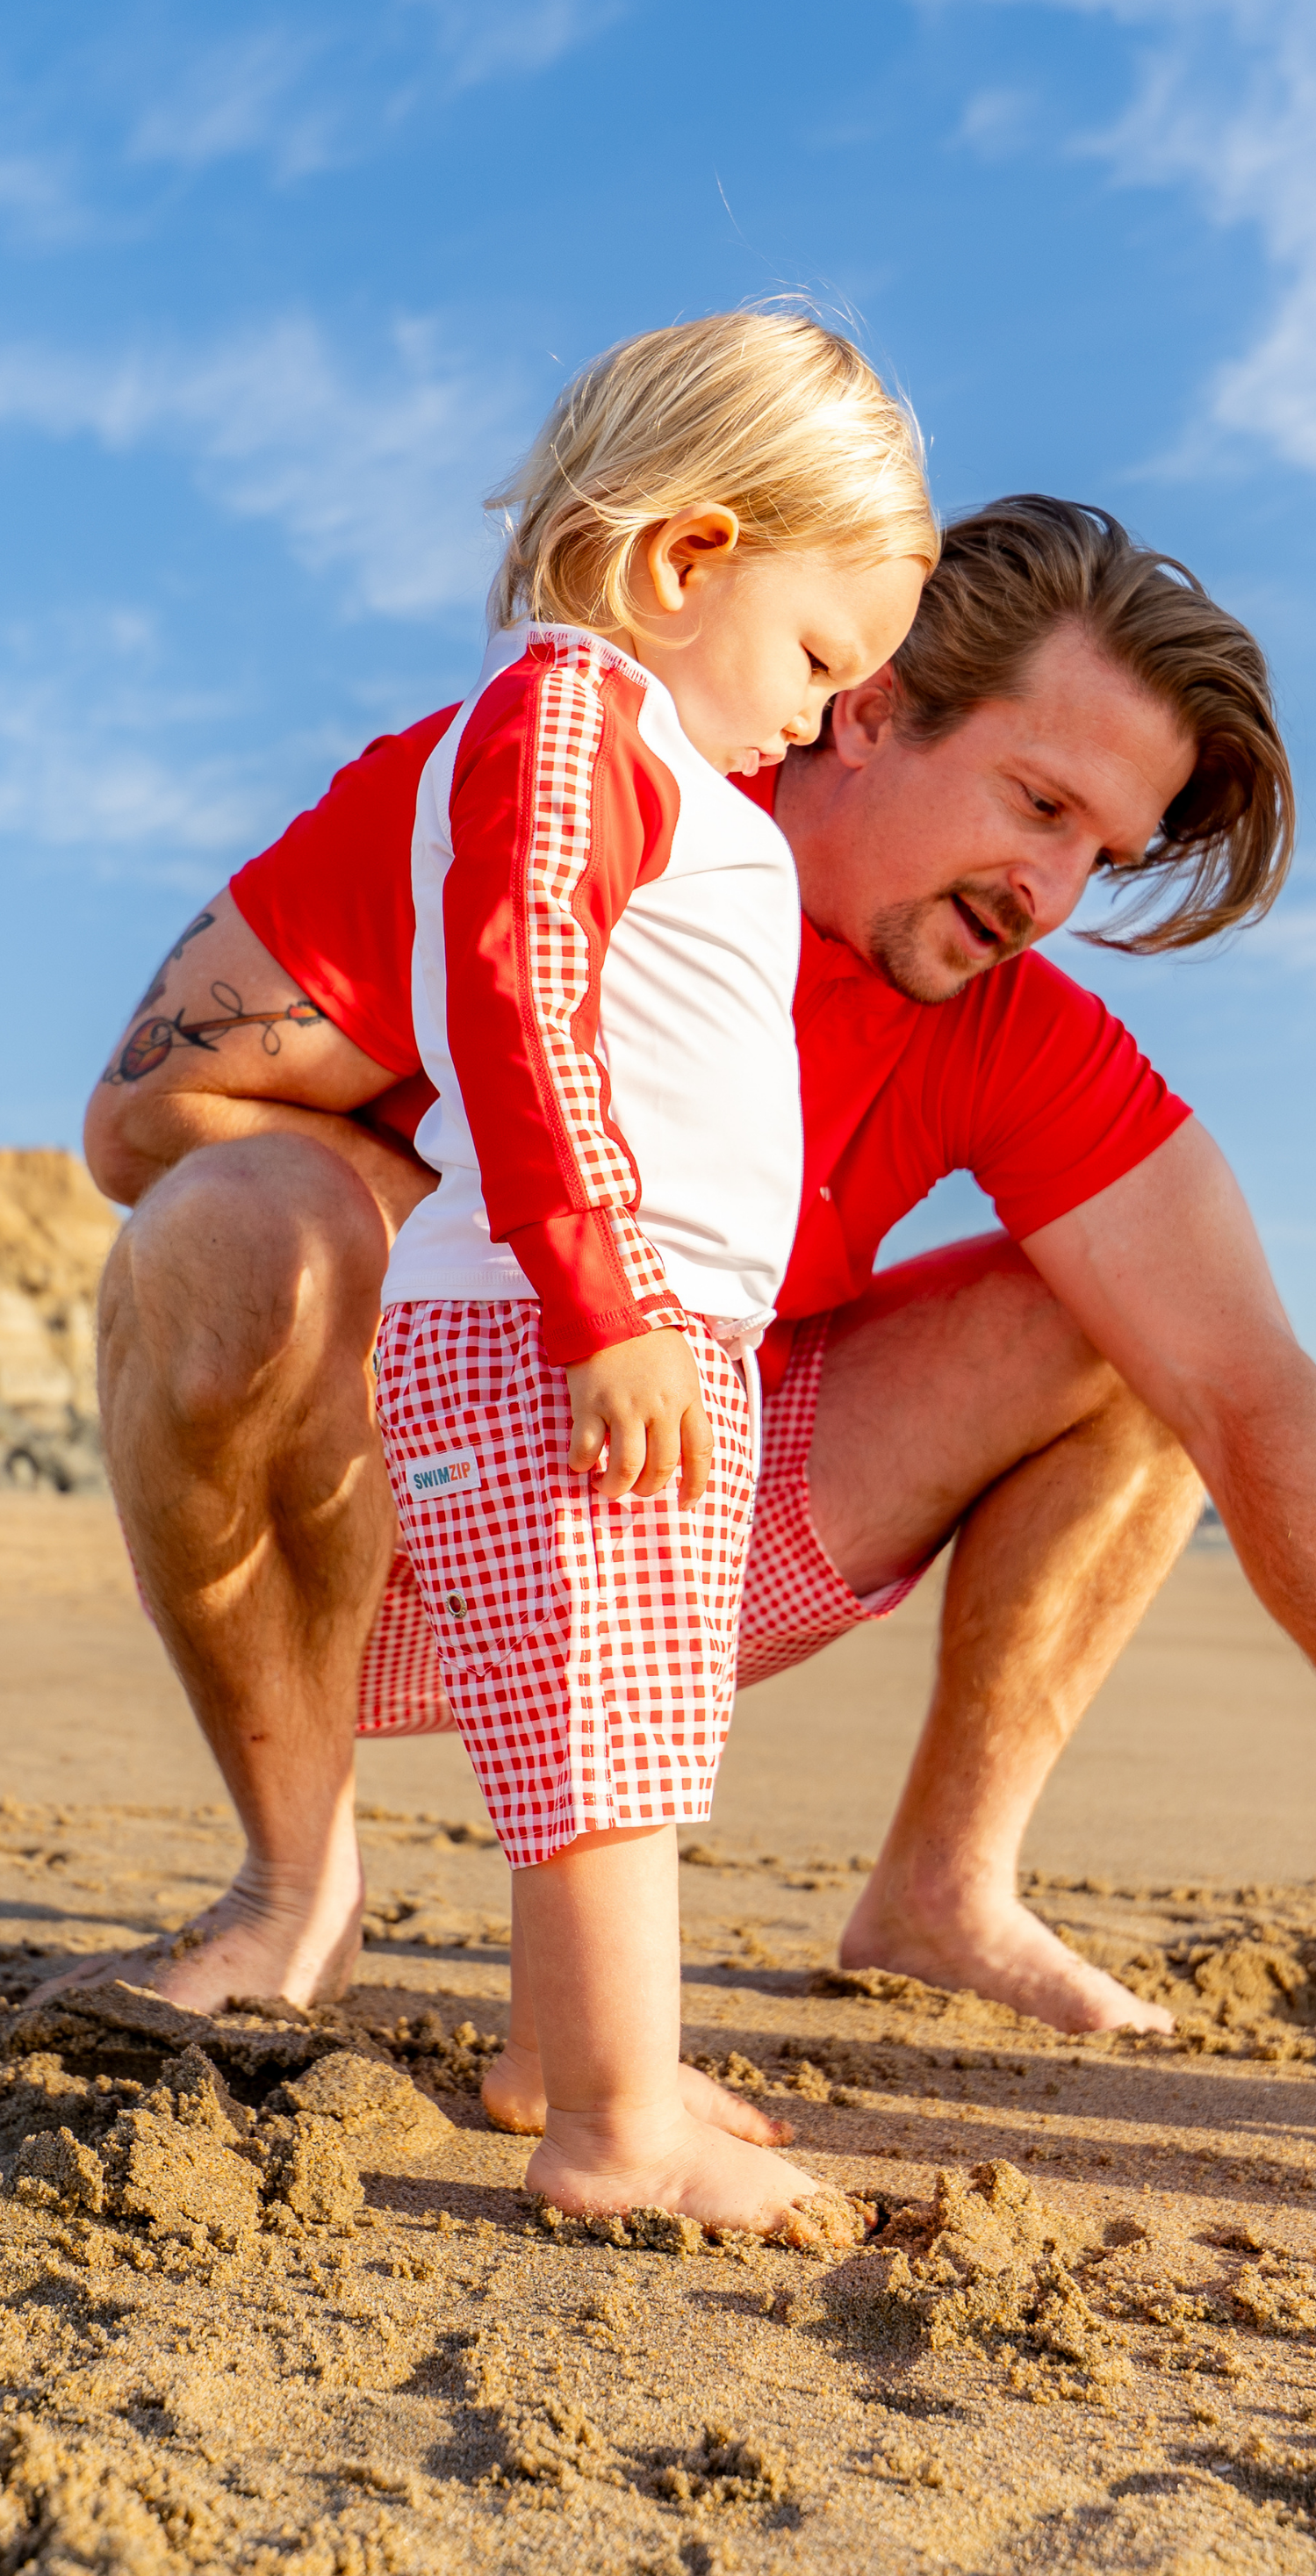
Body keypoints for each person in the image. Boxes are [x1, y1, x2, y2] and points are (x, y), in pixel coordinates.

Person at [78, 494, 1316, 2184]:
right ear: (870, 704)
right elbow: (145, 1117)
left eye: (1097, 853)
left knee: (1129, 1332)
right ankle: (298, 1885)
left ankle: (946, 1890)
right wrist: (537, 1238)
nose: (1049, 890)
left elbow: (1256, 1389)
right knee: (237, 1223)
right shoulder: (539, 801)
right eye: (1036, 803)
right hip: (395, 1516)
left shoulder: (1007, 1022)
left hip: (680, 1506)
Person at [363, 311, 932, 2239]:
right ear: (691, 560)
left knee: (623, 1716)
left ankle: (569, 2049)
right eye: (819, 656)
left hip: (628, 1318)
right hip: (556, 1318)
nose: (827, 711)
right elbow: (520, 1000)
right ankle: (610, 2129)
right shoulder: (572, 719)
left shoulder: (660, 753)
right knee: (599, 1735)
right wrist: (605, 1306)